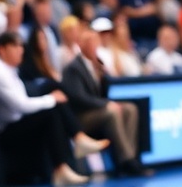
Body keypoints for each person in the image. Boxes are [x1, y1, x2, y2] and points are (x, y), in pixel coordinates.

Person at [0, 32, 103, 186]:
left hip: (18, 122)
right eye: (15, 46)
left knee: (54, 104)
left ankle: (68, 158)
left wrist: (52, 99)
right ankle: (75, 144)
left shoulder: (10, 70)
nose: (21, 50)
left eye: (21, 46)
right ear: (2, 49)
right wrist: (51, 99)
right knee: (51, 108)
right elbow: (22, 106)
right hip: (7, 131)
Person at [60, 27, 152, 177]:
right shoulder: (73, 68)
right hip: (81, 117)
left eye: (95, 42)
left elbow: (103, 92)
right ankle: (126, 160)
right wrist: (106, 104)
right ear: (82, 45)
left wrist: (103, 75)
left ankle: (131, 156)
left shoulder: (97, 64)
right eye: (90, 42)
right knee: (111, 112)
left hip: (97, 110)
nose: (94, 46)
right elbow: (79, 98)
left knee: (130, 108)